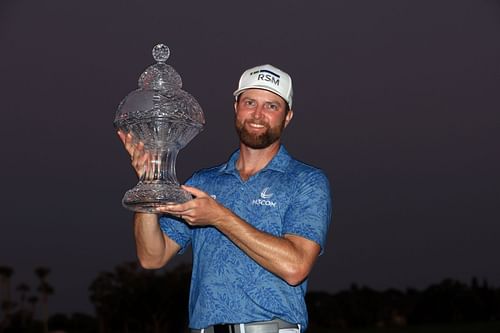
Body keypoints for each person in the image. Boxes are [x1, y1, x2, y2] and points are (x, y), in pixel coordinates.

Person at [117, 64, 332, 333]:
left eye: (272, 106)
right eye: (250, 102)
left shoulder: (306, 180)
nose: (257, 114)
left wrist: (219, 217)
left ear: (288, 116)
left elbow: (295, 266)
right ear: (236, 107)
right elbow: (152, 257)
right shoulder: (203, 182)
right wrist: (150, 183)